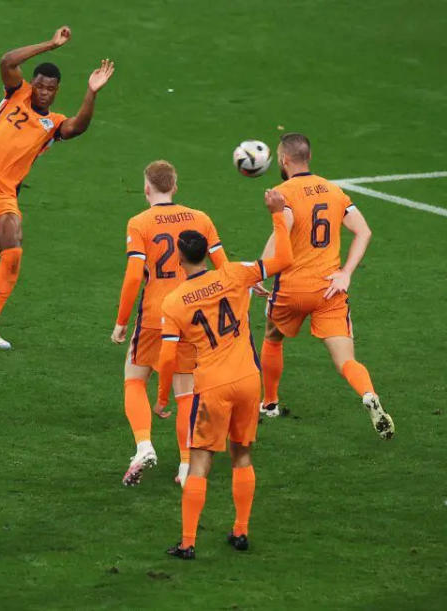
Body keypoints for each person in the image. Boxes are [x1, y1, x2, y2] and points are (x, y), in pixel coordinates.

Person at [0, 26, 115, 349]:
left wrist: (92, 92)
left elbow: (79, 126)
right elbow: (7, 60)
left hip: (3, 193)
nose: (43, 92)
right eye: (40, 85)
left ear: (57, 91)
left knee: (14, 248)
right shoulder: (16, 93)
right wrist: (50, 45)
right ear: (33, 84)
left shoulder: (54, 123)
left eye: (50, 88)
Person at [156, 189, 293, 560]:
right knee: (242, 457)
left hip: (212, 385)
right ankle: (241, 531)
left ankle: (187, 542)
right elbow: (282, 258)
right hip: (249, 380)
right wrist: (277, 215)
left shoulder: (174, 302)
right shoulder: (234, 274)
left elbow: (168, 356)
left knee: (200, 463)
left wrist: (164, 397)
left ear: (180, 260)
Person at [256, 133, 394, 440]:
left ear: (284, 160)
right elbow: (364, 232)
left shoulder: (283, 192)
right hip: (330, 289)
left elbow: (282, 234)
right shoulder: (334, 191)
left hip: (292, 288)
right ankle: (368, 394)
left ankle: (270, 402)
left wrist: (258, 273)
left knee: (273, 337)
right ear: (309, 157)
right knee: (346, 360)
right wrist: (345, 272)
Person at [111, 161, 227, 487]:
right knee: (185, 394)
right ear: (175, 186)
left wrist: (121, 322)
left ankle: (144, 444)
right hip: (191, 317)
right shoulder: (200, 219)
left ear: (147, 188)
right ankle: (186, 465)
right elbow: (222, 267)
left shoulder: (139, 223)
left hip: (153, 317)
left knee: (134, 380)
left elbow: (135, 276)